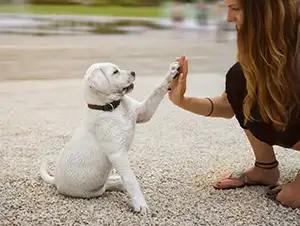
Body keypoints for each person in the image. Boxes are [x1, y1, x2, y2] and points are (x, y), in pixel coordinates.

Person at [168, 0, 300, 209]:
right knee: (241, 77)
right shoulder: (268, 39)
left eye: (236, 9)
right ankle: (265, 167)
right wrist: (182, 101)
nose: (228, 18)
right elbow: (231, 103)